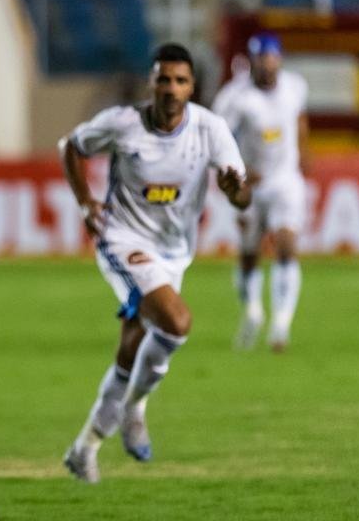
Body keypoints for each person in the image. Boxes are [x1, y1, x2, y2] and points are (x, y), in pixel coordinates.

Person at [60, 44, 250, 484]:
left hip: (174, 252)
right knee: (176, 322)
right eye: (163, 79)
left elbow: (243, 195)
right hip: (122, 240)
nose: (170, 88)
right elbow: (72, 146)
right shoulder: (124, 124)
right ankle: (135, 408)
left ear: (192, 88)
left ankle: (84, 447)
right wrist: (86, 202)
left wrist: (234, 189)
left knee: (133, 347)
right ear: (152, 83)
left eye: (180, 81)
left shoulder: (210, 129)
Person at [211, 33, 309, 352]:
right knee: (250, 253)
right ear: (251, 62)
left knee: (286, 245)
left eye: (271, 58)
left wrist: (305, 155)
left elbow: (300, 119)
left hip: (285, 180)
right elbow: (217, 138)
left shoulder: (295, 86)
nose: (267, 65)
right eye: (261, 59)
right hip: (249, 186)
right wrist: (237, 169)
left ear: (279, 59)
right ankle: (253, 311)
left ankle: (281, 324)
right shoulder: (235, 98)